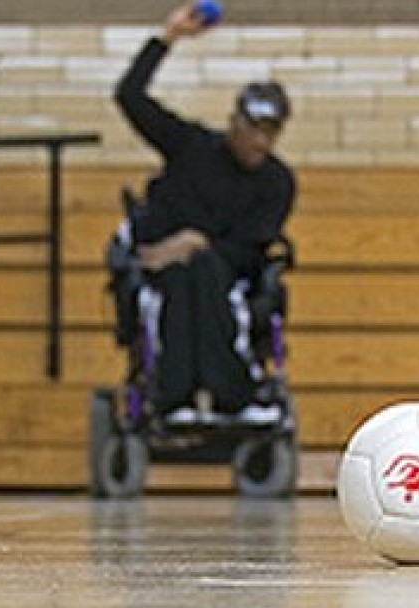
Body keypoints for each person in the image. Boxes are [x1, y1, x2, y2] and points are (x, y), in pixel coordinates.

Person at [115, 1, 296, 420]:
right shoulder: (191, 145)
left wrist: (194, 244)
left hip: (226, 274)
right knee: (179, 276)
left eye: (272, 133)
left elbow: (251, 247)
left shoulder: (277, 181)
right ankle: (172, 396)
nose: (262, 143)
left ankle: (233, 395)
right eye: (255, 130)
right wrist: (168, 37)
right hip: (162, 264)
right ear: (235, 121)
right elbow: (129, 97)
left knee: (204, 268)